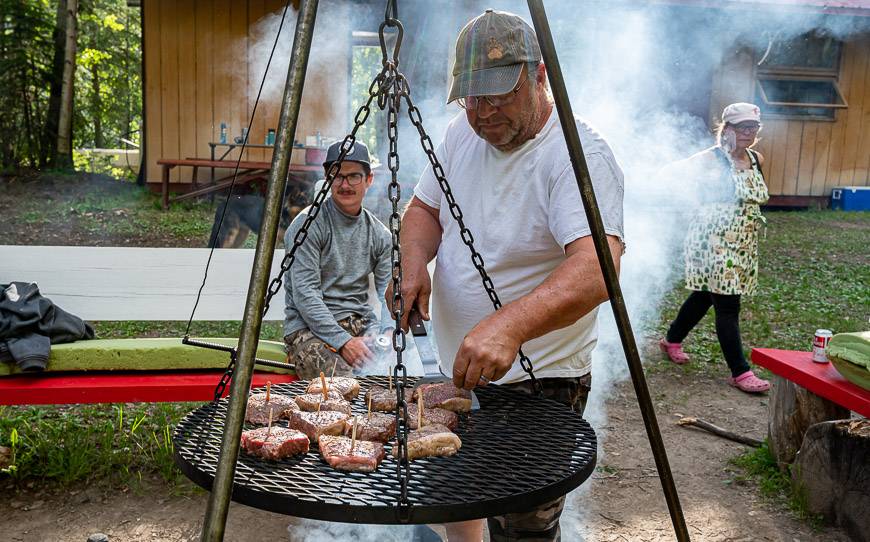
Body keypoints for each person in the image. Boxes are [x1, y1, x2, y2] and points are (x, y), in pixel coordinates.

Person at [393, 10, 625, 542]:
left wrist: (510, 326)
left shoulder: (578, 154)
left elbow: (598, 268)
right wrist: (413, 264)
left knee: (522, 524)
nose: (485, 112)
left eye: (500, 95)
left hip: (541, 379)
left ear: (540, 76)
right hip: (459, 369)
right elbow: (424, 210)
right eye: (473, 98)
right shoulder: (460, 134)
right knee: (459, 493)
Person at [659, 102, 770, 394]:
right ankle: (740, 371)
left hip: (743, 242)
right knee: (728, 303)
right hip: (714, 240)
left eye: (753, 127)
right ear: (728, 129)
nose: (748, 132)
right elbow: (671, 175)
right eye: (742, 127)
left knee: (706, 295)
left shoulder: (756, 159)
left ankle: (671, 339)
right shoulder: (711, 158)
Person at [283, 140, 392, 380]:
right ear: (327, 179)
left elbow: (388, 292)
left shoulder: (380, 234)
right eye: (337, 176)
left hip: (362, 325)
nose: (345, 184)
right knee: (343, 389)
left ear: (368, 180)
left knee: (395, 376)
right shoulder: (308, 225)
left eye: (354, 176)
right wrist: (344, 342)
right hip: (309, 331)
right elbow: (305, 294)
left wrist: (387, 331)